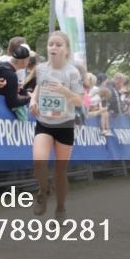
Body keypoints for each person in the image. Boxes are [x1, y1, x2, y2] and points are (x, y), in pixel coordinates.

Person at [29, 31, 84, 219]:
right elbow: (38, 86)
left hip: (65, 124)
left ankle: (60, 207)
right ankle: (43, 191)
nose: (53, 47)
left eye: (58, 45)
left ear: (66, 50)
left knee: (60, 171)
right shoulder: (41, 69)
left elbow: (79, 101)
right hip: (44, 122)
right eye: (51, 44)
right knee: (38, 160)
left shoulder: (72, 72)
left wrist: (64, 91)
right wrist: (33, 101)